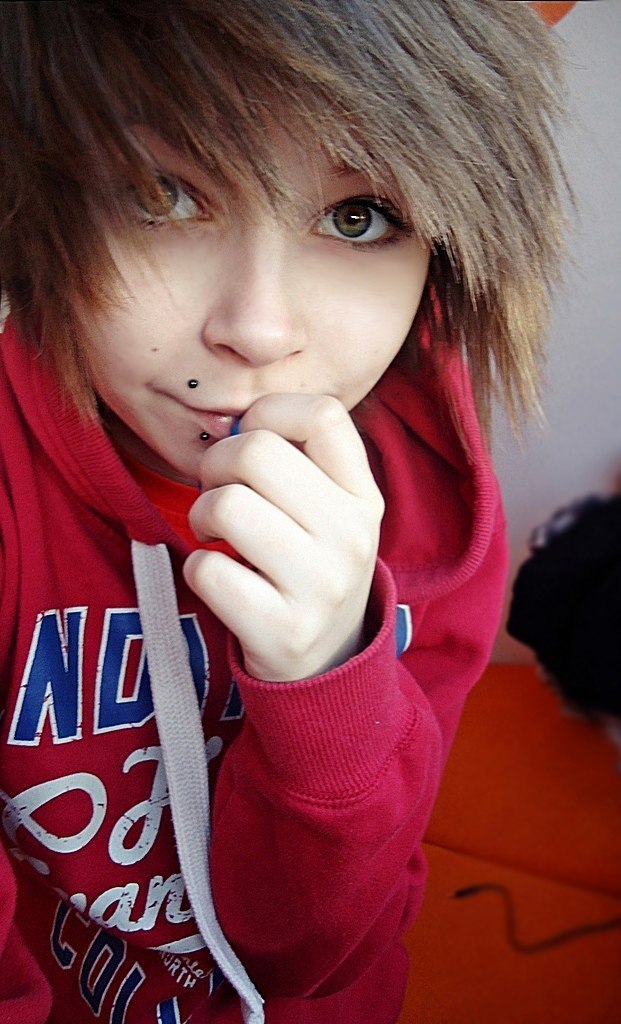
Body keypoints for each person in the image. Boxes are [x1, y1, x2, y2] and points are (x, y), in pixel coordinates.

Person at [0, 2, 567, 1022]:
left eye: (358, 217)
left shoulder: (429, 500)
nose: (258, 330)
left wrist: (330, 680)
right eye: (162, 195)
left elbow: (314, 952)